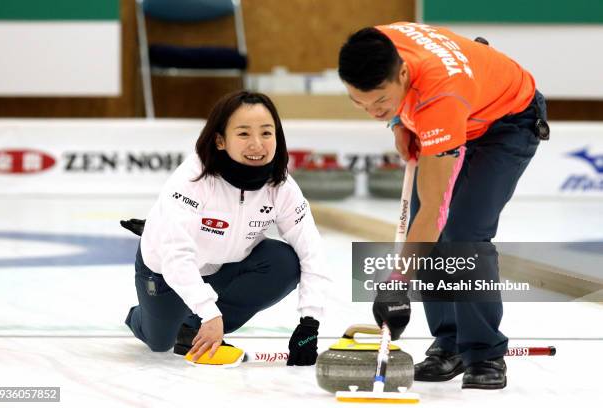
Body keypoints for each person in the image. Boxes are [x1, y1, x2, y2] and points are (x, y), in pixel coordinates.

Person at [338, 22, 548, 389]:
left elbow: (434, 209)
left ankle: (484, 353)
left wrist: (397, 282)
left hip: (507, 121)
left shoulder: (438, 98)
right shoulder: (376, 42)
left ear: (402, 73)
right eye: (359, 103)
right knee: (431, 241)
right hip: (462, 103)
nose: (371, 110)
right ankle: (449, 343)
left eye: (381, 102)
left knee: (464, 233)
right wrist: (395, 119)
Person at [122, 91, 330, 366]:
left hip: (226, 266)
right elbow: (175, 257)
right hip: (167, 270)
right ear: (220, 140)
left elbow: (311, 250)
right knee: (161, 342)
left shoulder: (281, 187)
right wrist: (210, 313)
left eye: (266, 133)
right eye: (244, 134)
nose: (257, 144)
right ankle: (143, 315)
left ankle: (194, 325)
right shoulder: (194, 179)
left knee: (285, 263)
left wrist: (309, 324)